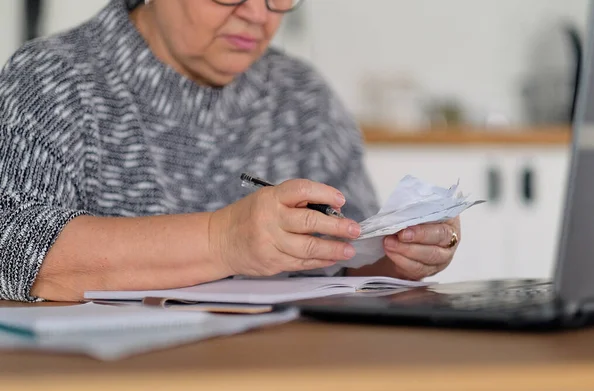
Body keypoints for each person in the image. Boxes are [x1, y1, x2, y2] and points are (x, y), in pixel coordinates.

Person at [0, 0, 461, 303]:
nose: (259, 15)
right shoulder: (52, 77)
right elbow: (13, 247)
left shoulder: (300, 95)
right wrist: (223, 240)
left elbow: (349, 260)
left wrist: (399, 251)